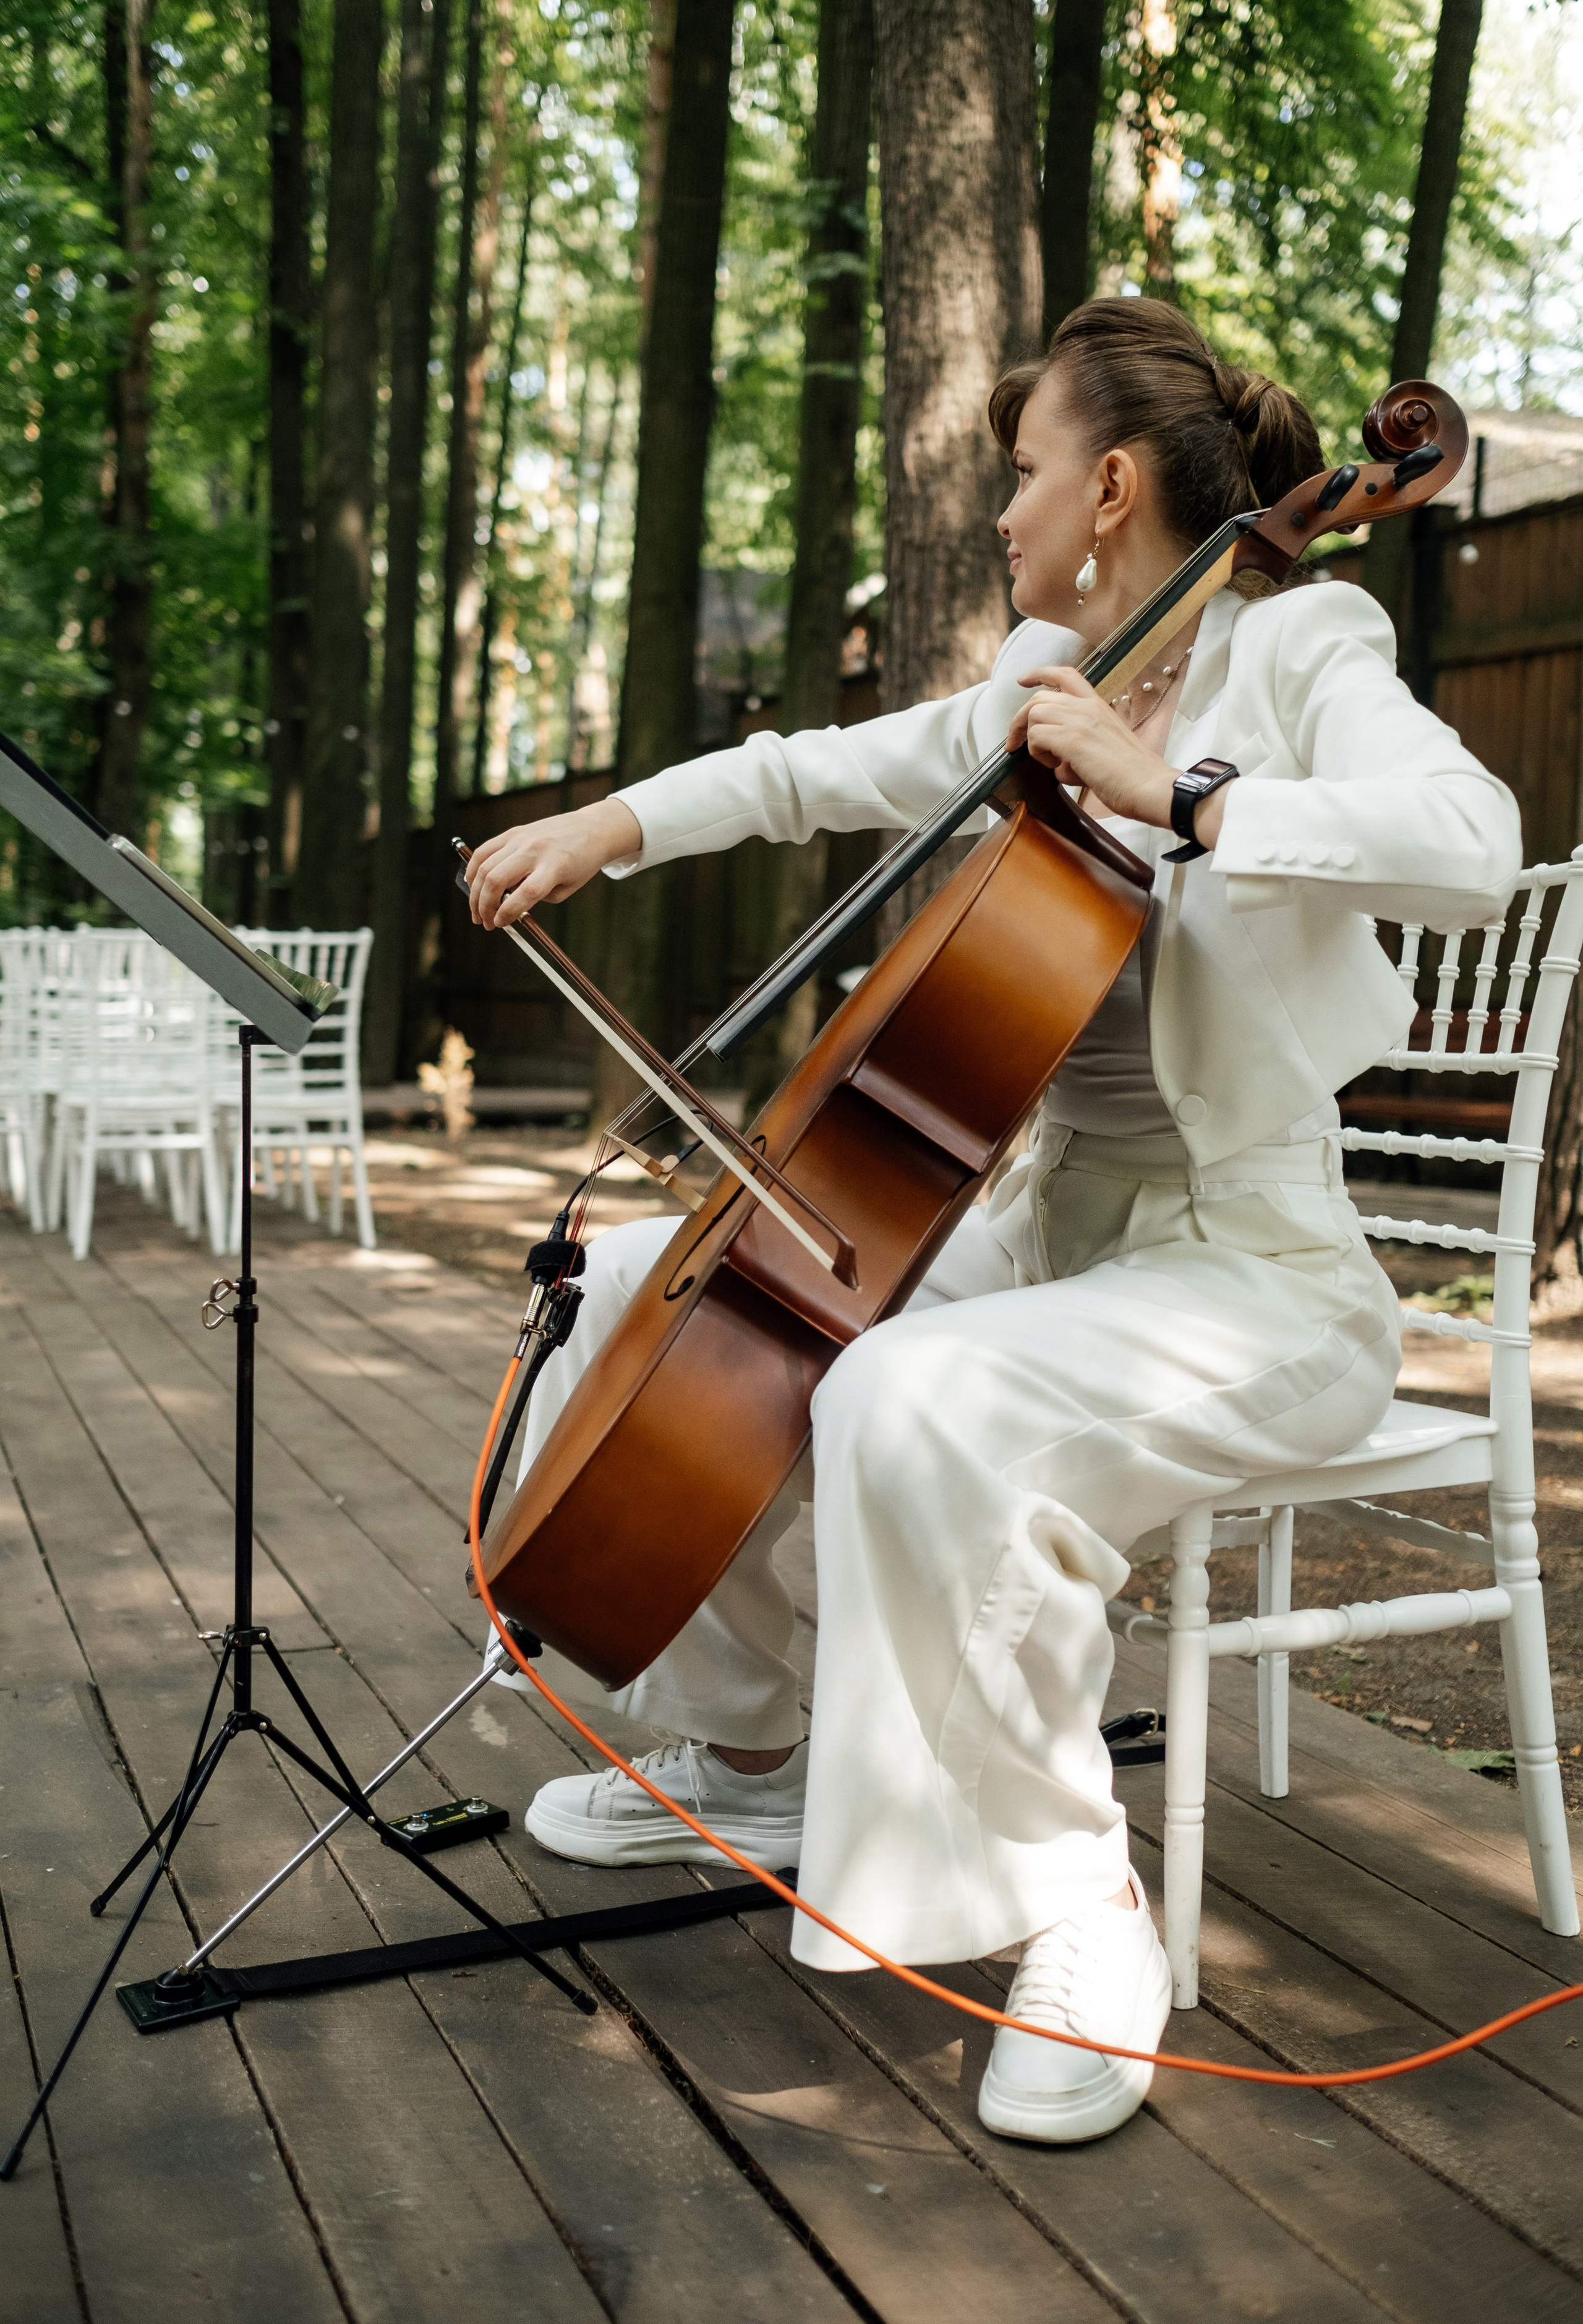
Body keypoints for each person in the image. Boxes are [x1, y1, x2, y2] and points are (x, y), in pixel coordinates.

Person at [466, 297, 1521, 2146]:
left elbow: (1472, 838)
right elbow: (814, 770)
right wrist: (607, 826)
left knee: (910, 1398)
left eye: (1025, 471)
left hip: (1255, 1271)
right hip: (1051, 1240)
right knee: (649, 1289)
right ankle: (763, 1747)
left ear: (1111, 483)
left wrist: (1183, 796)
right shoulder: (1053, 664)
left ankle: (1074, 1903)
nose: (1003, 512)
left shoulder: (1301, 641)